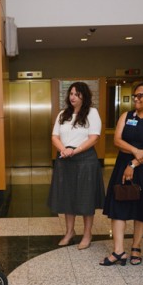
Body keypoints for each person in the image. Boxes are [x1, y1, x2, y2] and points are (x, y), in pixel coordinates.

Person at [102, 81, 143, 265]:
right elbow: (117, 140)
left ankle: (136, 247)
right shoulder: (127, 115)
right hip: (123, 164)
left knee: (141, 208)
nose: (136, 99)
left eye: (140, 95)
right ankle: (118, 251)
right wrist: (135, 151)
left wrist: (133, 164)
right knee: (118, 205)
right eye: (134, 96)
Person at [47, 81, 105, 250]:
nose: (73, 97)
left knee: (86, 198)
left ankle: (87, 234)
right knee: (67, 197)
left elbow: (94, 138)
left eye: (77, 94)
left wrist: (75, 150)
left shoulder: (92, 113)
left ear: (84, 96)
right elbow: (54, 136)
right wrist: (63, 150)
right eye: (71, 94)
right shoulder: (63, 114)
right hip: (65, 159)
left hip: (85, 159)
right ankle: (69, 232)